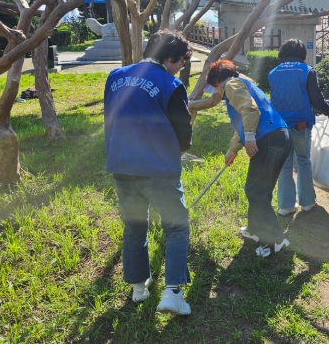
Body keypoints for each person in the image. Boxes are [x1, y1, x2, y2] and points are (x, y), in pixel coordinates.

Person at [104, 30, 193, 315]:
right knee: (176, 227)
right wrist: (175, 149)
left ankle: (138, 287)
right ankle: (173, 292)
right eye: (181, 60)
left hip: (121, 166)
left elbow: (110, 116)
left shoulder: (115, 77)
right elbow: (184, 132)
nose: (181, 66)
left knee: (134, 226)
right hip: (158, 169)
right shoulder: (170, 84)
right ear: (170, 57)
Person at [206, 60, 292, 257]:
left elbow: (250, 110)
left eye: (214, 87)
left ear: (218, 81)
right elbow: (243, 123)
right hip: (280, 138)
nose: (216, 91)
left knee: (255, 191)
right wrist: (232, 150)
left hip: (268, 140)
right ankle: (255, 230)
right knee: (261, 190)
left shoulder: (231, 84)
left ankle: (274, 241)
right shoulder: (245, 84)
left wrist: (251, 137)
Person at [268, 39, 329, 216]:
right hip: (301, 126)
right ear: (302, 53)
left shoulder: (273, 72)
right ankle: (307, 202)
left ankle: (285, 206)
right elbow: (316, 98)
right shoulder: (307, 71)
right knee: (303, 161)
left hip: (279, 126)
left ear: (282, 53)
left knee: (284, 165)